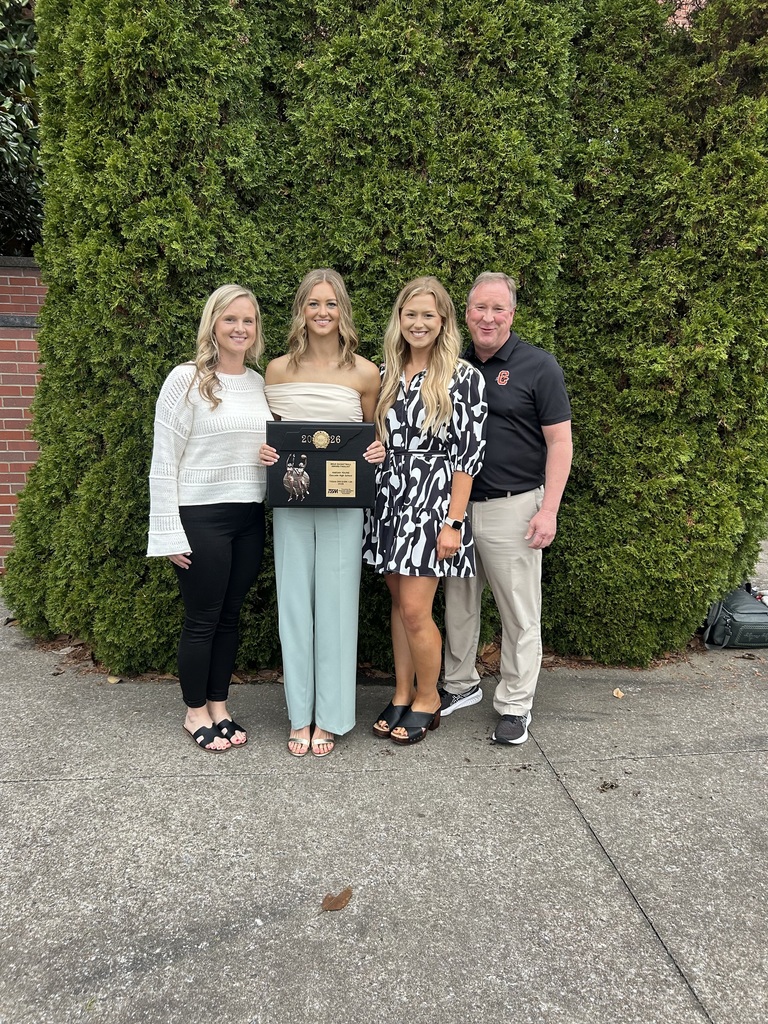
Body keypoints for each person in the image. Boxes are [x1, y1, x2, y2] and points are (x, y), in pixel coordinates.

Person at [441, 271, 572, 744]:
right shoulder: (450, 365)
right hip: (456, 506)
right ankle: (459, 685)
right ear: (467, 313)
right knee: (458, 603)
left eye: (498, 309)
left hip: (512, 507)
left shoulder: (539, 366)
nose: (488, 318)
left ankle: (515, 704)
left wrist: (548, 509)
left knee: (519, 612)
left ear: (512, 315)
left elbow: (560, 442)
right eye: (479, 308)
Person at [259, 269, 385, 758]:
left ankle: (330, 717)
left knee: (336, 606)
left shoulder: (365, 373)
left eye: (331, 304)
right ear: (301, 311)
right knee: (294, 603)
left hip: (344, 503)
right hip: (291, 500)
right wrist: (264, 455)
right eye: (314, 304)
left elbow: (376, 437)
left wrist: (378, 453)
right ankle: (300, 715)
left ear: (343, 310)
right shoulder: (276, 371)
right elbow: (270, 435)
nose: (323, 312)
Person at [363, 276, 487, 745]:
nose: (418, 323)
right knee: (399, 604)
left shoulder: (462, 377)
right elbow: (371, 438)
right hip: (388, 500)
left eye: (428, 316)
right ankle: (400, 693)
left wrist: (454, 521)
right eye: (410, 314)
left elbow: (468, 457)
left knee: (416, 609)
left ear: (443, 322)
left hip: (432, 505)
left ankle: (429, 698)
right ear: (399, 319)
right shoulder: (384, 374)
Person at [147, 284, 271, 752]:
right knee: (203, 619)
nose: (240, 328)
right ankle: (194, 710)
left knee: (231, 617)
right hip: (200, 517)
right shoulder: (186, 379)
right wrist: (167, 531)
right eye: (230, 319)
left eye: (248, 320)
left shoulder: (259, 383)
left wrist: (266, 456)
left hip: (248, 515)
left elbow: (259, 447)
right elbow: (164, 460)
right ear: (213, 325)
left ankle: (219, 705)